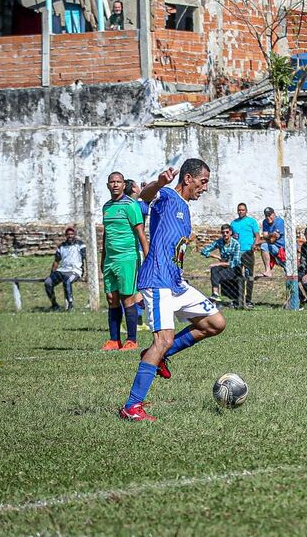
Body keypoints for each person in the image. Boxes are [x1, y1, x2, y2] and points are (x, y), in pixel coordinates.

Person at [120, 159, 226, 422]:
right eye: (203, 182)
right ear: (188, 179)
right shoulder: (166, 195)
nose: (204, 188)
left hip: (176, 282)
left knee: (215, 323)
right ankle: (132, 407)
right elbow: (142, 199)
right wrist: (158, 183)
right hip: (157, 280)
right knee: (163, 339)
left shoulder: (185, 208)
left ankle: (156, 356)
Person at [101, 171, 149, 351]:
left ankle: (131, 340)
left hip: (127, 258)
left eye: (118, 182)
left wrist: (147, 259)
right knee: (111, 297)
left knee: (127, 297)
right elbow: (106, 234)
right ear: (108, 185)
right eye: (112, 182)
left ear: (123, 185)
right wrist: (103, 257)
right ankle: (114, 340)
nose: (115, 185)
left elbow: (141, 234)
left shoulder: (131, 205)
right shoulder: (106, 207)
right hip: (110, 259)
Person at [124, 179, 151, 331]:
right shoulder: (138, 206)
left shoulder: (123, 205)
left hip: (126, 250)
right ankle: (137, 320)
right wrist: (147, 192)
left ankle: (132, 319)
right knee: (138, 285)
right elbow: (147, 206)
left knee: (129, 285)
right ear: (134, 188)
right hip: (137, 249)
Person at [44, 225, 86, 311]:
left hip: (75, 270)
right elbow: (56, 261)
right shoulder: (61, 246)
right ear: (65, 235)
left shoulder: (80, 245)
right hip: (63, 270)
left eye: (72, 234)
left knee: (67, 280)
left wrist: (86, 273)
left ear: (74, 234)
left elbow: (86, 258)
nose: (70, 236)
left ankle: (70, 305)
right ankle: (54, 305)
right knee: (48, 282)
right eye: (68, 234)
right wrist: (52, 274)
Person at [200, 224, 243, 306]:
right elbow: (204, 251)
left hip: (234, 269)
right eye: (223, 232)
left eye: (227, 232)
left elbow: (234, 262)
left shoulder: (236, 244)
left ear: (230, 232)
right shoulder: (219, 242)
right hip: (223, 267)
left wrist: (219, 263)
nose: (225, 234)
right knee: (214, 269)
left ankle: (219, 299)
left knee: (215, 271)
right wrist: (215, 256)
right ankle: (215, 294)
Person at [230, 202, 260, 309]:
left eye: (242, 210)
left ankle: (249, 300)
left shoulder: (251, 222)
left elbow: (257, 236)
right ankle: (238, 299)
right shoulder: (233, 223)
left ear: (246, 211)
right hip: (237, 252)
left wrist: (254, 245)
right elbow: (231, 237)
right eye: (239, 210)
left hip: (248, 252)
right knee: (237, 276)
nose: (240, 211)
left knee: (249, 276)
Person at [259, 206, 286, 277]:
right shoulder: (265, 222)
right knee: (264, 246)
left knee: (289, 272)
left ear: (274, 214)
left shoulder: (279, 221)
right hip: (274, 247)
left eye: (270, 215)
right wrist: (270, 235)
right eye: (266, 215)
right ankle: (268, 271)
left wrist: (260, 241)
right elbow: (265, 235)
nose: (268, 217)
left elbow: (272, 239)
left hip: (283, 249)